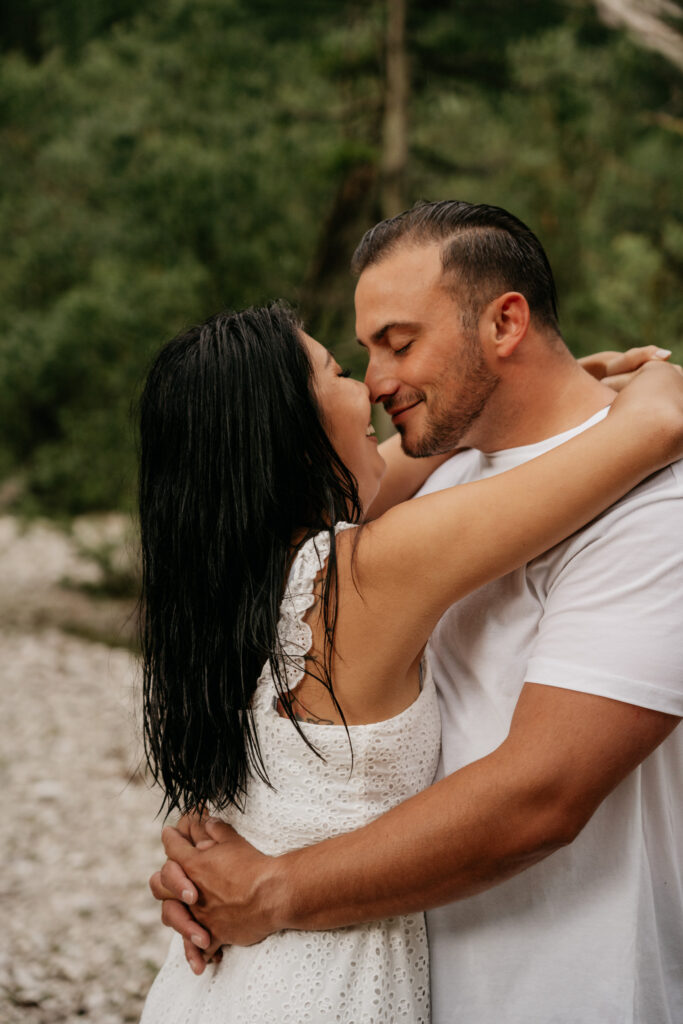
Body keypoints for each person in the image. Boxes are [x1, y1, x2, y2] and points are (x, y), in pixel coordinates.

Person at [150, 202, 683, 1024]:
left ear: (504, 321)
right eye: (346, 365)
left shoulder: (264, 576)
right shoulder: (383, 543)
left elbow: (542, 794)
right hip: (337, 972)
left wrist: (262, 882)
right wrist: (647, 390)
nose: (372, 383)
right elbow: (653, 425)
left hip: (544, 986)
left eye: (397, 344)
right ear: (282, 436)